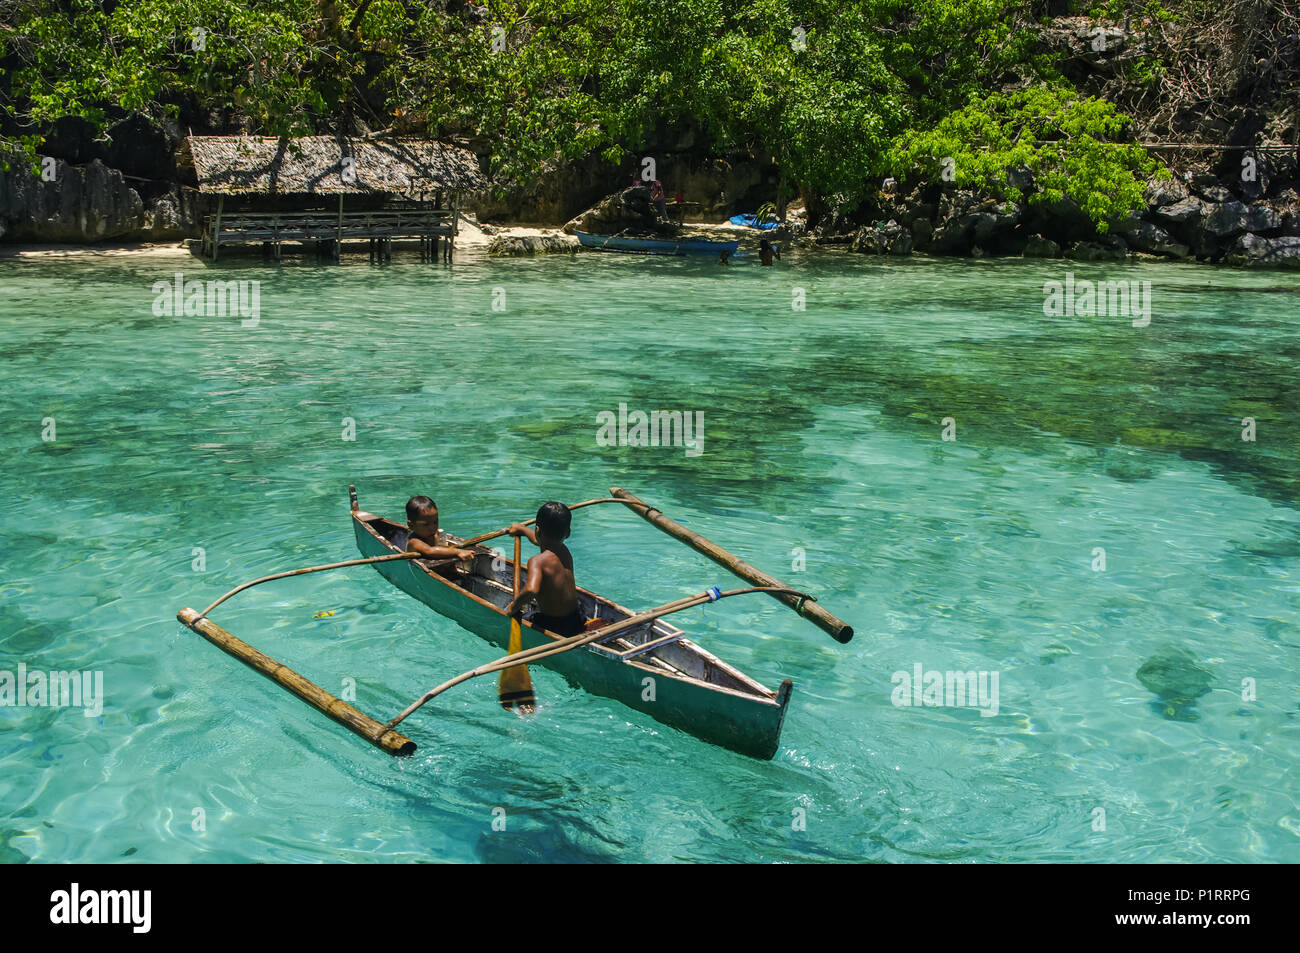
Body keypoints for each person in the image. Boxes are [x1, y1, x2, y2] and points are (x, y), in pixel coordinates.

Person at [504, 502, 584, 636]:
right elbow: (540, 541)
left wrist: (513, 607)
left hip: (554, 625)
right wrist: (522, 530)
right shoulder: (564, 550)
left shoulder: (537, 561)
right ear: (568, 533)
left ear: (537, 530)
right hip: (577, 619)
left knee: (522, 615)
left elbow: (531, 589)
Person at [405, 496, 477, 562]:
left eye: (435, 522)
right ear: (411, 525)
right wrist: (458, 552)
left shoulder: (435, 534)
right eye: (426, 524)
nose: (432, 528)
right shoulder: (414, 542)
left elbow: (440, 548)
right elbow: (431, 551)